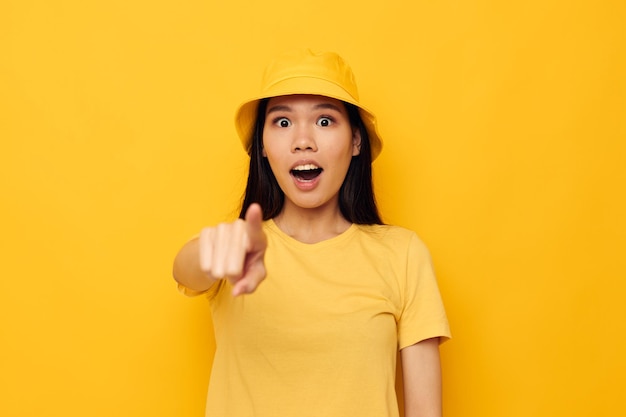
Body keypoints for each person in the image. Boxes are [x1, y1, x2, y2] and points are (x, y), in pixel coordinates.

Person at [173, 49, 451, 417]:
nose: (303, 140)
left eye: (324, 120)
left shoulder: (402, 254)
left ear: (355, 142)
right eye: (283, 123)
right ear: (262, 147)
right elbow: (185, 269)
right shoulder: (238, 247)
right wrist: (219, 253)